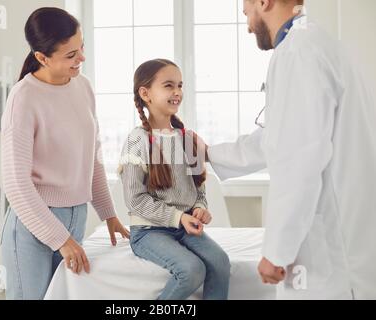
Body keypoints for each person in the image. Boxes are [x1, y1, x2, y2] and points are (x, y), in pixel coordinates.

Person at [206, 0, 376, 299]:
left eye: (245, 4)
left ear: (263, 1)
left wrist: (276, 250)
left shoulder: (300, 52)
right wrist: (208, 153)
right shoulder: (308, 45)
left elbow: (300, 158)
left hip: (330, 255)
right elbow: (276, 140)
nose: (244, 12)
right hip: (332, 247)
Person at [0, 7, 129, 300]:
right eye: (70, 55)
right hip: (33, 224)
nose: (81, 58)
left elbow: (92, 158)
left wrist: (109, 214)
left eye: (80, 47)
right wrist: (60, 239)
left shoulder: (83, 87)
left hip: (76, 216)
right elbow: (17, 185)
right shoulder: (23, 98)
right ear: (42, 58)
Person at [118, 59, 230, 300]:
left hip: (184, 227)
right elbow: (135, 200)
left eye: (180, 85)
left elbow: (198, 188)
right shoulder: (137, 141)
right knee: (191, 270)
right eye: (169, 85)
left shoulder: (187, 138)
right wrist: (179, 217)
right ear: (145, 93)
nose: (177, 92)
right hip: (149, 231)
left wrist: (200, 207)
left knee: (220, 262)